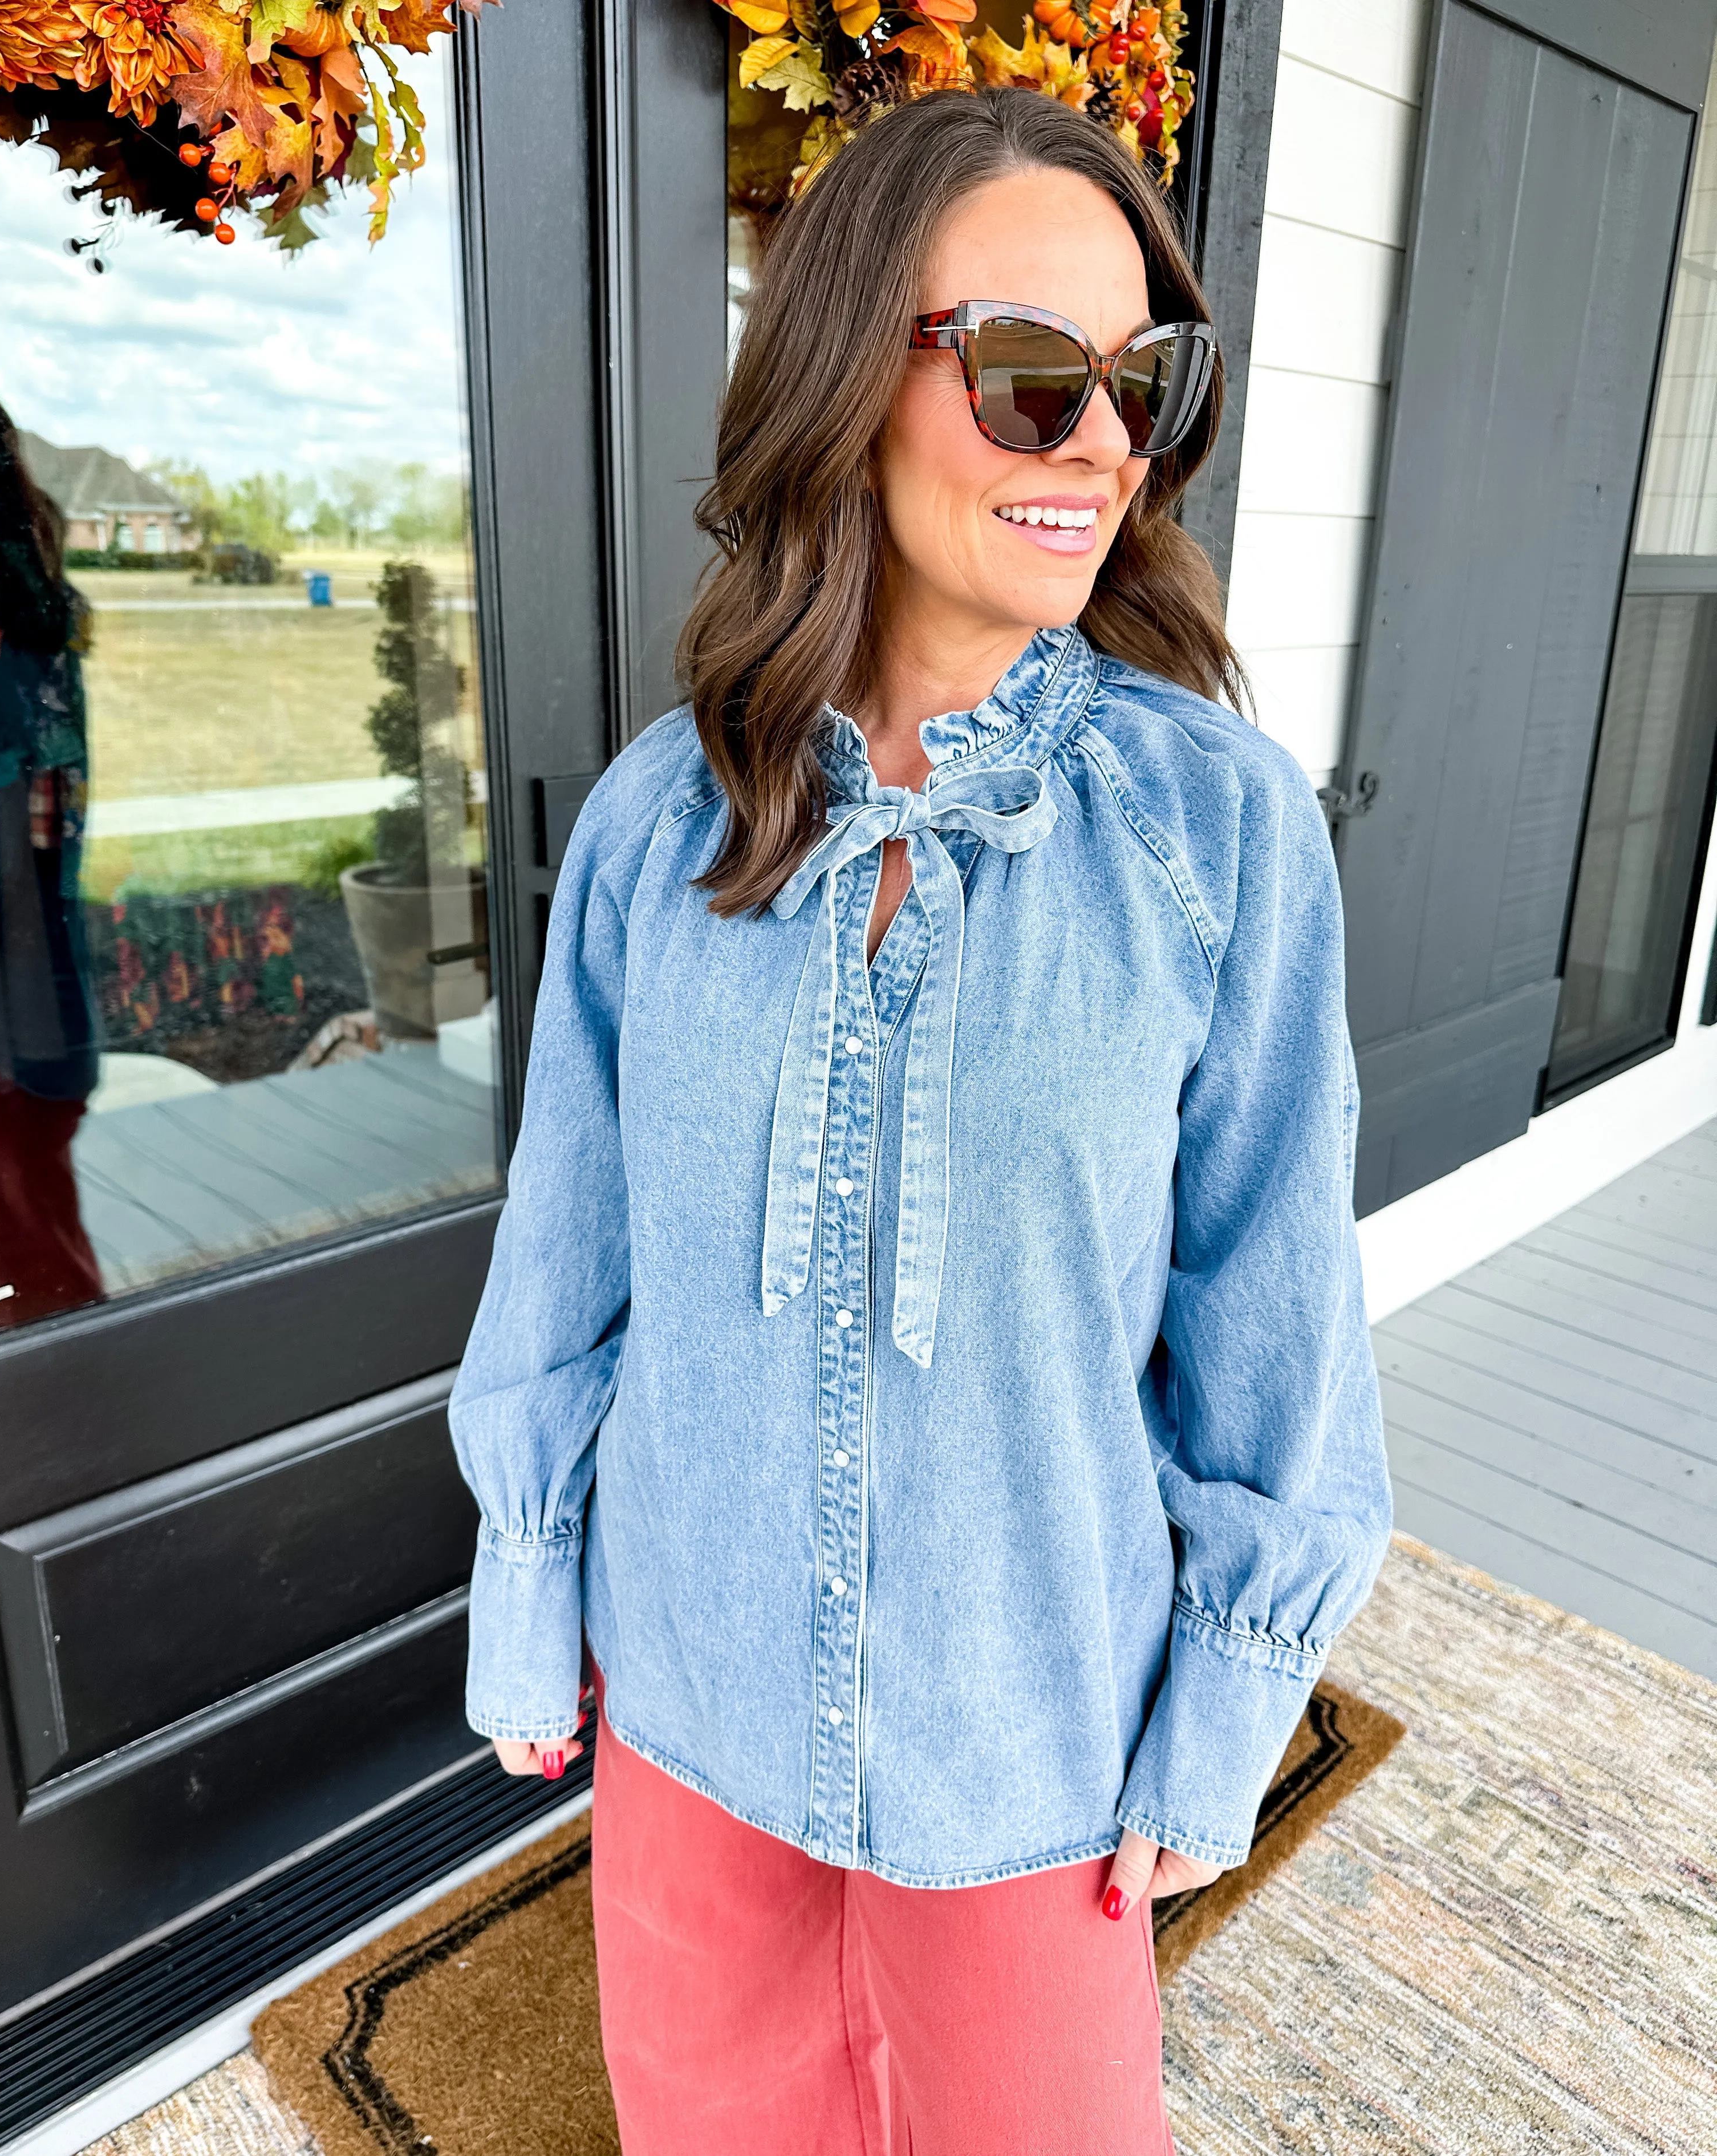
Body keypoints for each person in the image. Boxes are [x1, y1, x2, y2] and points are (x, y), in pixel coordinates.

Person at [449, 86, 1391, 2155]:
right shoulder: (654, 823)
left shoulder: (1210, 834)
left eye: (1140, 383)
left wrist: (1225, 1701)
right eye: (1031, 379)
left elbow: (1275, 1315)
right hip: (685, 1716)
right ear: (841, 374)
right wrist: (531, 1575)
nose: (1098, 447)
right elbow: (571, 1253)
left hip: (1022, 1751)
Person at [0, 396, 102, 1329]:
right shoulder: (34, 598)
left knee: (37, 1253)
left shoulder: (19, 621)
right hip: (34, 995)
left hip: (19, 998)